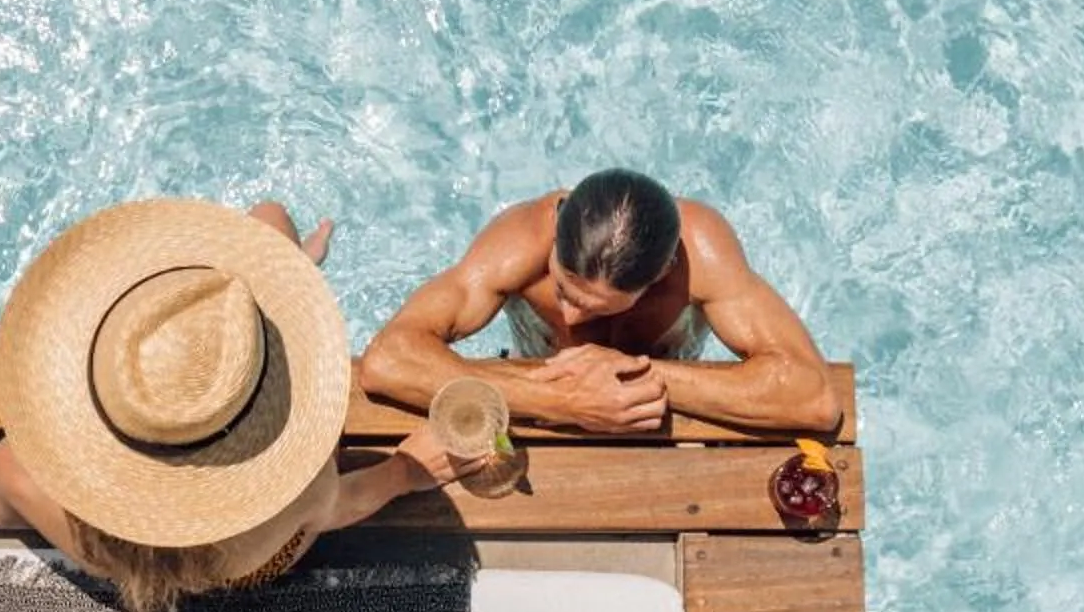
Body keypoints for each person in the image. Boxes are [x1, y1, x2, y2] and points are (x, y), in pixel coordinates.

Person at [0, 198, 465, 612]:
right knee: (268, 218)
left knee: (264, 226)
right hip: (254, 562)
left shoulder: (42, 483)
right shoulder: (300, 487)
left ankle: (272, 286)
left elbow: (4, 497)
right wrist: (404, 473)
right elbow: (337, 506)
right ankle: (276, 290)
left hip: (132, 570)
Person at [357, 169, 837, 435]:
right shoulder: (520, 241)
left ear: (662, 274)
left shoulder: (701, 254)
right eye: (564, 291)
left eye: (602, 308)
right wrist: (561, 399)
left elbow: (813, 397)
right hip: (537, 400)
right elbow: (389, 361)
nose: (570, 317)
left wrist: (638, 375)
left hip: (666, 411)